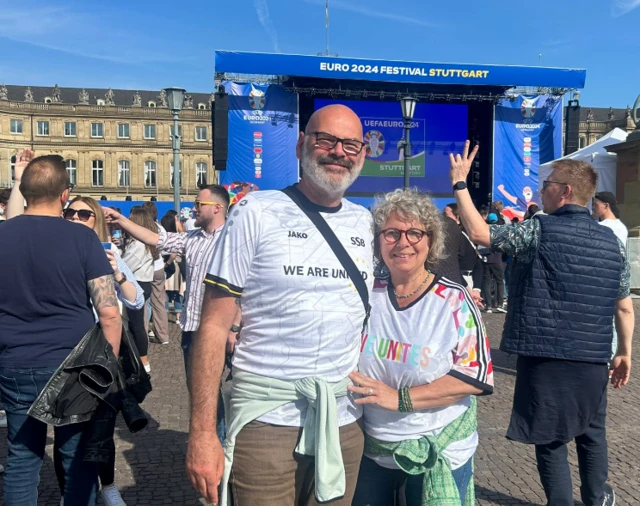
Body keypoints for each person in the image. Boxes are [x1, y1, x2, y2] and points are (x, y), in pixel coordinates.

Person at [186, 104, 374, 506]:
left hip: (342, 422)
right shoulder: (256, 212)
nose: (338, 151)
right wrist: (203, 434)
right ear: (302, 144)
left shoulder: (366, 223)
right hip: (266, 420)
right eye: (326, 140)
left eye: (351, 144)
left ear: (363, 153)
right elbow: (214, 326)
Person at [451, 144, 634, 506]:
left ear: (565, 191)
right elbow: (624, 307)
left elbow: (480, 233)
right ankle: (597, 498)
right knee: (592, 432)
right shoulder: (612, 243)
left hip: (545, 355)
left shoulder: (540, 229)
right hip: (594, 356)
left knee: (550, 438)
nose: (540, 190)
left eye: (546, 184)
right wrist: (624, 353)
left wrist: (460, 184)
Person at [351, 188, 493, 506]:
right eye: (391, 233)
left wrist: (398, 399)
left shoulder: (454, 301)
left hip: (437, 446)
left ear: (430, 241)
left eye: (415, 232)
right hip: (372, 447)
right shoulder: (363, 296)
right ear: (377, 240)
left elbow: (473, 378)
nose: (403, 242)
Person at [0, 152, 122, 505]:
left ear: (23, 190)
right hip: (76, 363)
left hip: (16, 361)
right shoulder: (82, 239)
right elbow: (109, 313)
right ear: (65, 194)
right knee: (78, 458)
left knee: (23, 459)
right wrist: (106, 364)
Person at [57, 196, 144, 506]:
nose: (77, 217)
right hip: (65, 349)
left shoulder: (107, 253)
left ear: (95, 220)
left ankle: (107, 486)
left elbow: (136, 300)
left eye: (84, 213)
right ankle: (72, 492)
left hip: (101, 349)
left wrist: (117, 274)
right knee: (65, 428)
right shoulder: (55, 250)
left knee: (101, 427)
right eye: (71, 212)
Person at [104, 185, 233, 383]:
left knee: (212, 390)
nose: (194, 208)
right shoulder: (192, 238)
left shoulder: (233, 239)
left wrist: (235, 327)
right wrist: (121, 220)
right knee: (196, 387)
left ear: (217, 208)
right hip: (191, 327)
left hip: (218, 328)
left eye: (199, 203)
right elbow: (155, 239)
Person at [121, 206, 156, 373]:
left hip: (138, 284)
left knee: (136, 325)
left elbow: (125, 265)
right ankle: (140, 358)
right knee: (138, 324)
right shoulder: (144, 242)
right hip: (144, 282)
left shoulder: (138, 245)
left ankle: (142, 360)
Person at [142, 201, 170, 345]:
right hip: (158, 266)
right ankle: (163, 335)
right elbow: (166, 248)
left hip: (144, 268)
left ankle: (143, 334)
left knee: (144, 303)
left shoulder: (139, 228)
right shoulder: (160, 228)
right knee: (159, 302)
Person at [160, 210, 185, 322]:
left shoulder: (161, 236)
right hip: (176, 265)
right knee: (178, 291)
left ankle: (164, 314)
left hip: (166, 265)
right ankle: (178, 316)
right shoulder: (178, 236)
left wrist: (166, 264)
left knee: (164, 291)